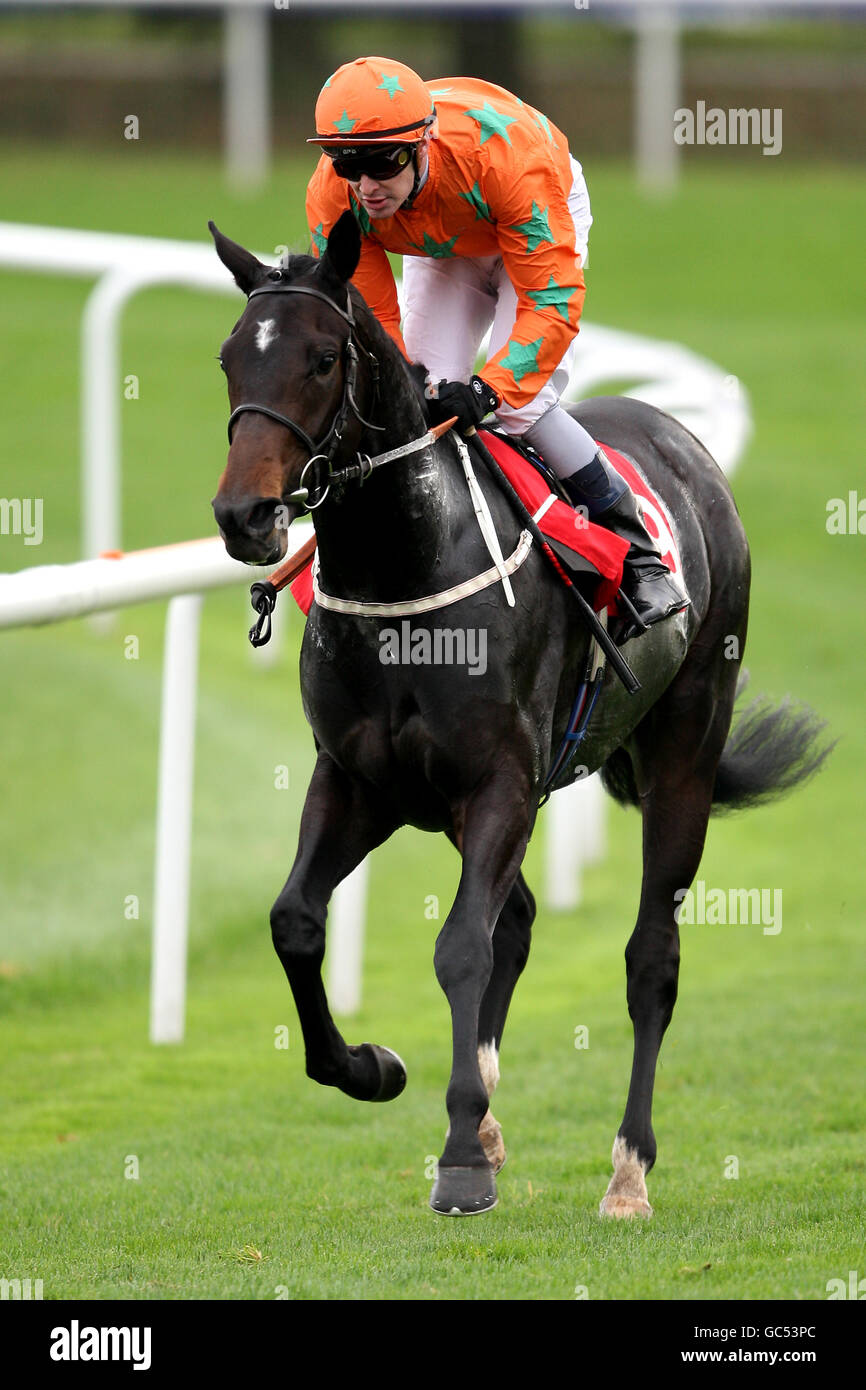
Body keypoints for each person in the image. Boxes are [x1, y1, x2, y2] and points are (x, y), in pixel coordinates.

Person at [305, 56, 687, 635]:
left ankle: (639, 556)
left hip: (530, 209)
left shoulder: (508, 161)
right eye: (348, 164)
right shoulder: (334, 195)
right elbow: (373, 323)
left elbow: (551, 303)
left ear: (422, 143)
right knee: (423, 405)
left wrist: (490, 390)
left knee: (522, 408)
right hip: (444, 242)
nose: (366, 186)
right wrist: (413, 384)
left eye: (383, 163)